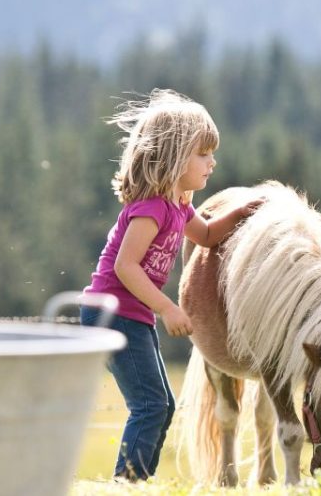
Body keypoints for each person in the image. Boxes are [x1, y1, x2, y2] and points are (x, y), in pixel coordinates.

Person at [79, 89, 260, 480]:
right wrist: (168, 307)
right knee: (150, 405)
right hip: (112, 313)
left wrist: (243, 212)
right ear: (175, 155)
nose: (212, 162)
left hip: (132, 315)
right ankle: (127, 484)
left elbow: (208, 235)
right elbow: (127, 267)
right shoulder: (151, 208)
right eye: (203, 153)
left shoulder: (179, 206)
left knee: (162, 406)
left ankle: (136, 481)